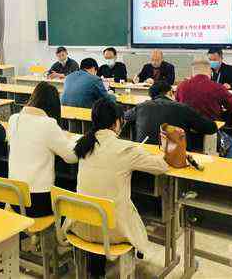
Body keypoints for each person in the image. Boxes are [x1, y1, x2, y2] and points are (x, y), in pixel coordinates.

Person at [70, 98, 169, 277]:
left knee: (99, 201)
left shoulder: (84, 144)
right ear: (117, 122)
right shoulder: (126, 149)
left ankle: (96, 270)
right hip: (113, 232)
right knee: (127, 207)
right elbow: (162, 166)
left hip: (81, 226)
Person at [8, 82, 77, 217]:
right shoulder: (48, 124)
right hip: (38, 202)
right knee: (70, 186)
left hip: (15, 198)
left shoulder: (14, 119)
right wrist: (75, 141)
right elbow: (71, 157)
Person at [175, 59, 232, 155]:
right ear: (209, 71)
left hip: (186, 135)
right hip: (210, 132)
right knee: (229, 145)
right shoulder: (217, 87)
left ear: (192, 72)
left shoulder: (181, 86)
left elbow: (177, 106)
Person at [124, 80, 217, 145]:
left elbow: (125, 116)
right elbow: (211, 128)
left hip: (145, 154)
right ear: (169, 93)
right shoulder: (182, 108)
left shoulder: (141, 106)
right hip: (174, 157)